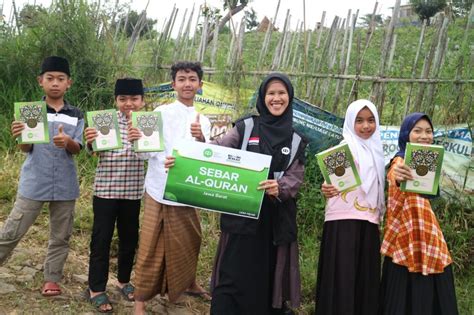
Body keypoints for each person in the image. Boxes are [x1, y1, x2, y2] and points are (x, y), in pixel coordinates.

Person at [204, 73, 308, 315]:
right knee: (232, 273)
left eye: (282, 93)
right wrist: (187, 155)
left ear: (289, 97)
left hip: (274, 222)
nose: (276, 98)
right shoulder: (245, 127)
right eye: (271, 93)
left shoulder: (295, 139)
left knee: (268, 275)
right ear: (263, 97)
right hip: (241, 216)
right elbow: (217, 149)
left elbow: (295, 178)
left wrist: (279, 188)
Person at [129, 61, 212, 315]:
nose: (187, 84)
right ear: (173, 84)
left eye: (192, 79)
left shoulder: (205, 120)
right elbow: (144, 155)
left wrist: (201, 139)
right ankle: (140, 301)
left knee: (192, 240)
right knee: (149, 245)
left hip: (188, 191)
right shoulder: (160, 114)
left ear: (200, 85)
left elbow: (207, 158)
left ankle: (189, 282)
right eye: (181, 79)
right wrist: (140, 143)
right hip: (158, 187)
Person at [0, 56, 84, 297]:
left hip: (66, 184)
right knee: (12, 230)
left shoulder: (76, 114)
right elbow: (26, 148)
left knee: (61, 234)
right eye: (50, 78)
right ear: (41, 81)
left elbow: (78, 149)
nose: (55, 83)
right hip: (34, 181)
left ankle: (52, 278)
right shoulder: (31, 111)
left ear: (69, 83)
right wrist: (19, 136)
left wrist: (68, 142)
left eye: (60, 79)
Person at [379, 113, 458, 315]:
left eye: (428, 131)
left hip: (427, 234)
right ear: (406, 134)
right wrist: (398, 176)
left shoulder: (428, 159)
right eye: (417, 131)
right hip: (405, 237)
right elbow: (396, 174)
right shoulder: (400, 160)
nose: (424, 136)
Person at [315, 99, 385, 315]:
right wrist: (325, 187)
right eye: (359, 120)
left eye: (371, 120)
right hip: (342, 222)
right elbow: (330, 184)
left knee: (364, 278)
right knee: (342, 276)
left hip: (369, 221)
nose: (366, 126)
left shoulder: (377, 154)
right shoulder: (341, 150)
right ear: (350, 122)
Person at [84, 78, 146, 313]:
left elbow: (152, 155)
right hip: (106, 191)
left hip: (132, 193)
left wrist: (141, 139)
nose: (128, 103)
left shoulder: (148, 123)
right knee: (101, 240)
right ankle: (96, 289)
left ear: (142, 100)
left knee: (129, 239)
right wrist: (90, 141)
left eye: (134, 99)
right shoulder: (104, 120)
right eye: (122, 99)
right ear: (115, 101)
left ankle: (123, 281)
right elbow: (93, 151)